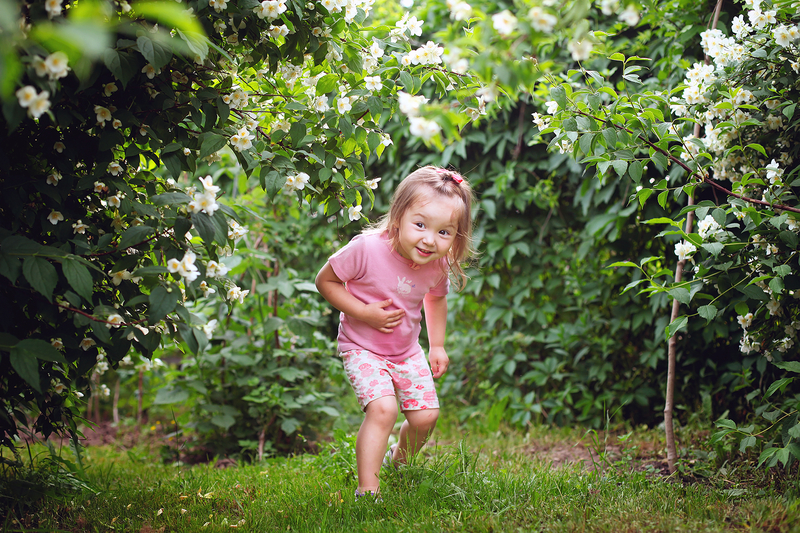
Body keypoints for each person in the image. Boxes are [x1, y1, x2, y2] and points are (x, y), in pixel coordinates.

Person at [315, 166, 475, 499]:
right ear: (399, 217)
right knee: (383, 410)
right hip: (362, 347)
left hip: (406, 351)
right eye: (420, 225)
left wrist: (438, 345)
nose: (430, 239)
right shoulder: (367, 248)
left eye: (444, 232)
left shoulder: (436, 264)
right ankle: (368, 490)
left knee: (426, 417)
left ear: (456, 236)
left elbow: (436, 298)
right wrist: (363, 313)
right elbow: (325, 281)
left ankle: (398, 463)